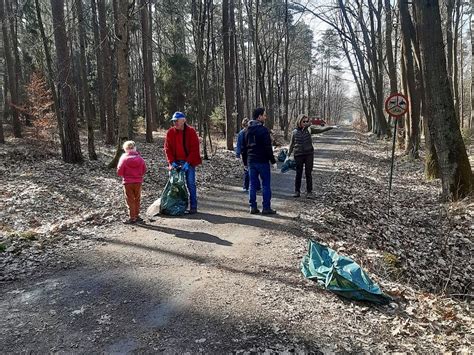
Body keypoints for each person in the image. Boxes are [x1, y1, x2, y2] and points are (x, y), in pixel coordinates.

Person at [287, 114, 335, 198]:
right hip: (298, 155)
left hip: (309, 154)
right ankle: (297, 191)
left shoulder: (310, 129)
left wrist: (331, 127)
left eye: (307, 121)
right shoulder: (294, 132)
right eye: (303, 121)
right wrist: (288, 155)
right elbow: (291, 144)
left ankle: (309, 192)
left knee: (308, 173)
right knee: (298, 173)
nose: (305, 123)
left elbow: (321, 129)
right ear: (299, 121)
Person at [164, 111, 202, 214]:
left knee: (190, 183)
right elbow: (167, 149)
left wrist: (187, 163)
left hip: (188, 162)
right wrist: (171, 162)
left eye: (177, 120)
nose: (175, 123)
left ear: (183, 120)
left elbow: (194, 149)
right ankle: (176, 206)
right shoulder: (170, 132)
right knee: (175, 185)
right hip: (175, 162)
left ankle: (193, 206)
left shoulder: (191, 131)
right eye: (174, 121)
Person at [242, 107, 277, 215]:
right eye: (264, 115)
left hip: (251, 161)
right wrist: (273, 161)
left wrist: (245, 162)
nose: (265, 117)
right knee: (266, 184)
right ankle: (266, 207)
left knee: (252, 184)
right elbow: (268, 147)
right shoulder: (264, 130)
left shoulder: (247, 130)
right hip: (262, 161)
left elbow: (245, 148)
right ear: (259, 117)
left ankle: (253, 207)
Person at [117, 140, 147, 224]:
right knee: (137, 198)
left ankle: (132, 217)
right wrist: (139, 175)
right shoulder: (140, 158)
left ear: (125, 149)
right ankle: (137, 215)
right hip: (138, 181)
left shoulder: (124, 158)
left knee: (130, 199)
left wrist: (123, 175)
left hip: (127, 182)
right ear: (135, 148)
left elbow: (119, 170)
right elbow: (144, 169)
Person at [235, 118, 261, 192]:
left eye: (247, 126)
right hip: (245, 154)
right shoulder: (241, 133)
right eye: (245, 126)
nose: (246, 127)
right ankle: (246, 186)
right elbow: (239, 144)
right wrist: (237, 154)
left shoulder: (253, 133)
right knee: (247, 170)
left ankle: (255, 186)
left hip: (252, 153)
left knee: (252, 169)